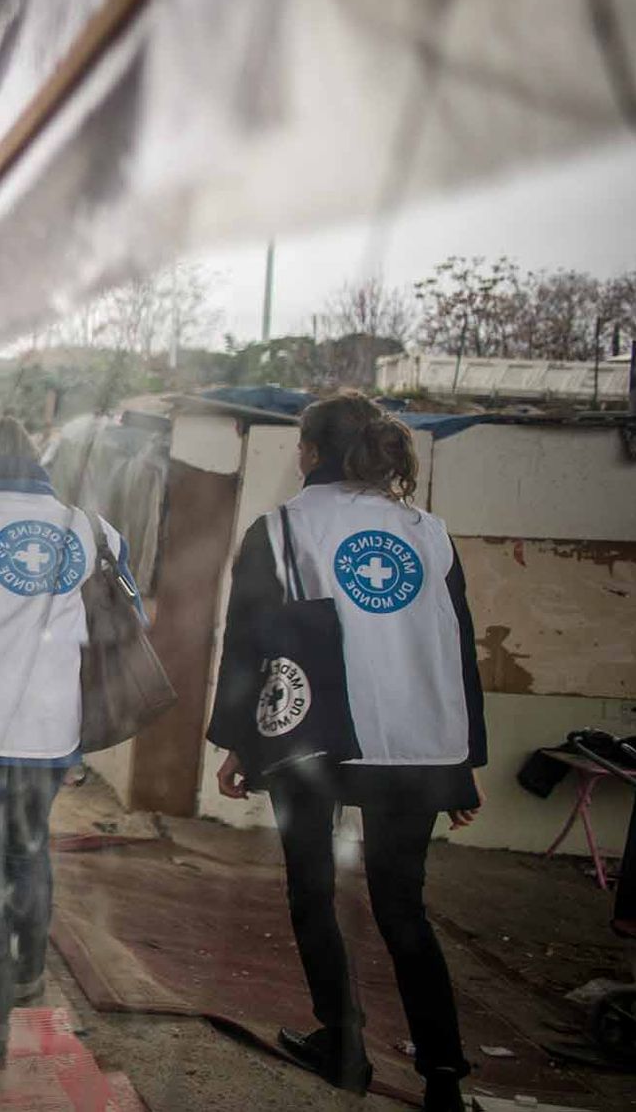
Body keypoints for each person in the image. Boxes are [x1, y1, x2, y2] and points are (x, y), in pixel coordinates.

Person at [208, 392, 484, 1112]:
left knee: (312, 890)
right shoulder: (430, 533)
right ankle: (444, 1077)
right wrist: (462, 768)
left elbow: (249, 646)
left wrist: (239, 744)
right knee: (403, 907)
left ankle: (344, 1041)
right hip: (422, 743)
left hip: (315, 733)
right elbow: (458, 651)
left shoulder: (284, 528)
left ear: (308, 453)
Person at [0, 416, 139, 1068]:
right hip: (46, 731)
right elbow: (128, 623)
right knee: (27, 848)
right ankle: (20, 976)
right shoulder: (93, 529)